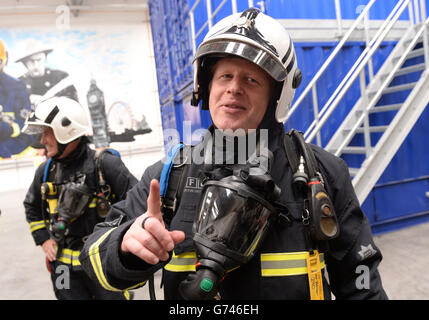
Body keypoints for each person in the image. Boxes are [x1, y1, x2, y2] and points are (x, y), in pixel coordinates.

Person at [79, 8, 388, 300]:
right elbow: (93, 256)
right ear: (206, 85)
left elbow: (361, 282)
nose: (234, 88)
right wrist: (125, 247)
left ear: (277, 96)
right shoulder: (169, 175)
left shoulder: (321, 174)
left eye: (251, 79)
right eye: (225, 76)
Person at [23, 96, 138, 300]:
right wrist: (44, 240)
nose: (42, 140)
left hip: (102, 263)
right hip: (63, 269)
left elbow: (137, 204)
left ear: (65, 130)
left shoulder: (105, 165)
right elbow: (31, 206)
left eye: (46, 132)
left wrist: (121, 245)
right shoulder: (45, 171)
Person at [0, 39, 35, 159]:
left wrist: (4, 150)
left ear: (5, 60)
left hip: (13, 156)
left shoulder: (16, 88)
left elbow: (26, 129)